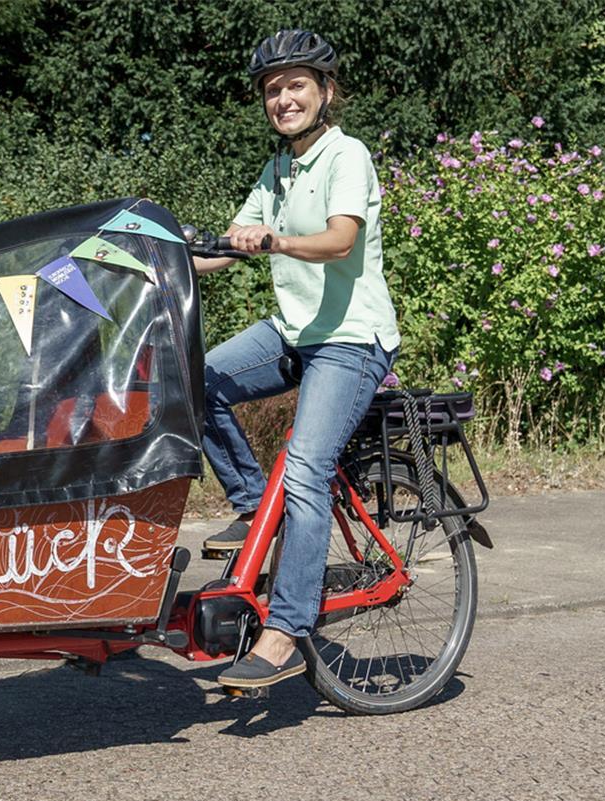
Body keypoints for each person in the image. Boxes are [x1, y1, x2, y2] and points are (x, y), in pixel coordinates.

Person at [192, 29, 400, 689]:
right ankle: (257, 506)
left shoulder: (348, 155)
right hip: (295, 329)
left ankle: (286, 630)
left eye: (296, 86)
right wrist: (150, 258)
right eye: (273, 90)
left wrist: (275, 240)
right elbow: (227, 247)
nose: (283, 99)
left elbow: (340, 241)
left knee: (307, 468)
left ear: (325, 92)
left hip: (351, 337)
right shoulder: (276, 171)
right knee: (198, 379)